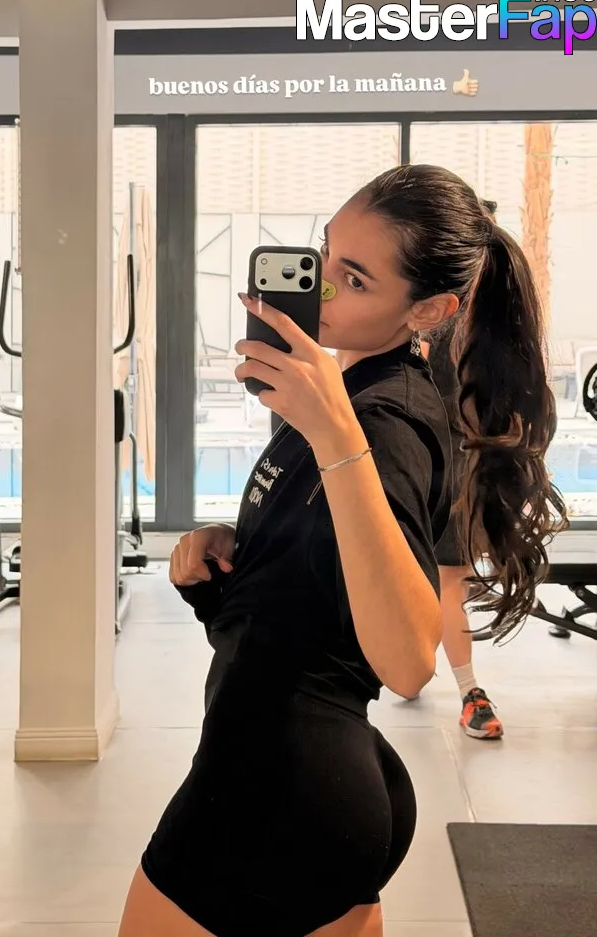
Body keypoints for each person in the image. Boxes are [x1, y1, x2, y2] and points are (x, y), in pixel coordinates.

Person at [118, 164, 566, 937]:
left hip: (276, 792)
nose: (321, 286)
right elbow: (316, 596)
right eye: (326, 253)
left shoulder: (380, 423)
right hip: (317, 774)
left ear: (428, 309)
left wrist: (334, 435)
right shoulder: (345, 398)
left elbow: (408, 661)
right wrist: (222, 559)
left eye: (354, 279)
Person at [419, 199, 504, 739]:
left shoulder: (484, 314)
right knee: (446, 580)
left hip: (464, 462)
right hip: (433, 458)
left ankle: (465, 689)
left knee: (449, 579)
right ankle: (462, 687)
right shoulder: (439, 309)